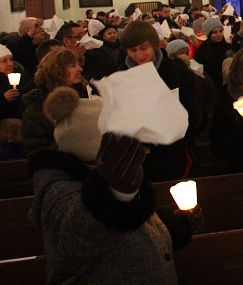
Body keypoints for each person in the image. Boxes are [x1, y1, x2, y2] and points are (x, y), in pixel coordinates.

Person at [31, 87, 201, 284]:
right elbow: (81, 239)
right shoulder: (59, 189)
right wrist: (115, 195)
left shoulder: (112, 175)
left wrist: (175, 222)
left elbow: (131, 232)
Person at [120, 21, 201, 181]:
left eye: (144, 48)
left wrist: (181, 105)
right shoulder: (121, 76)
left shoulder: (177, 73)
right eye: (132, 50)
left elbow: (198, 118)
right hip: (138, 158)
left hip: (175, 155)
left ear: (155, 45)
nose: (139, 55)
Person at [22, 49, 89, 153]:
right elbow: (37, 150)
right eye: (72, 66)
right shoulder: (35, 110)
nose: (80, 69)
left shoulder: (85, 96)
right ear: (56, 71)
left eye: (78, 64)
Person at [193, 17, 231, 89]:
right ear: (208, 34)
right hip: (212, 88)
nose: (219, 34)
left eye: (220, 31)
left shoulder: (229, 47)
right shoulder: (202, 51)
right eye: (215, 32)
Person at [0, 43, 22, 132]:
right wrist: (4, 100)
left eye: (11, 60)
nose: (10, 64)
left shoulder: (18, 76)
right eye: (4, 61)